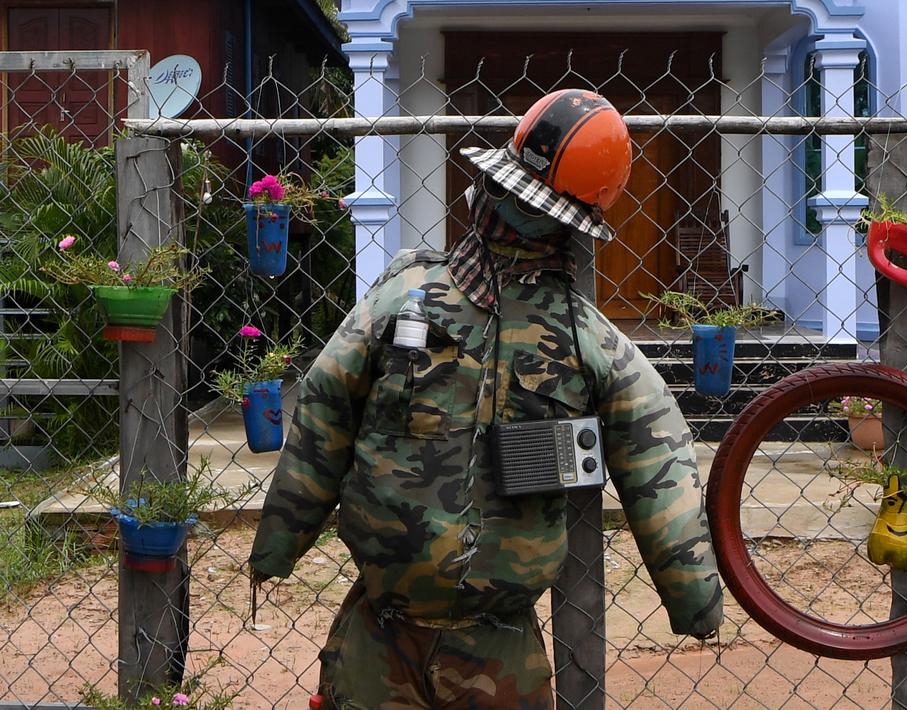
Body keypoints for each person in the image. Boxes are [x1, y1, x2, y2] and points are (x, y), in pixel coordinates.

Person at [247, 88, 724, 709]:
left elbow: (656, 454)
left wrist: (694, 597)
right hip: (383, 632)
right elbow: (323, 412)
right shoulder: (405, 303)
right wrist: (280, 540)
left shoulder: (583, 341)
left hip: (497, 643)